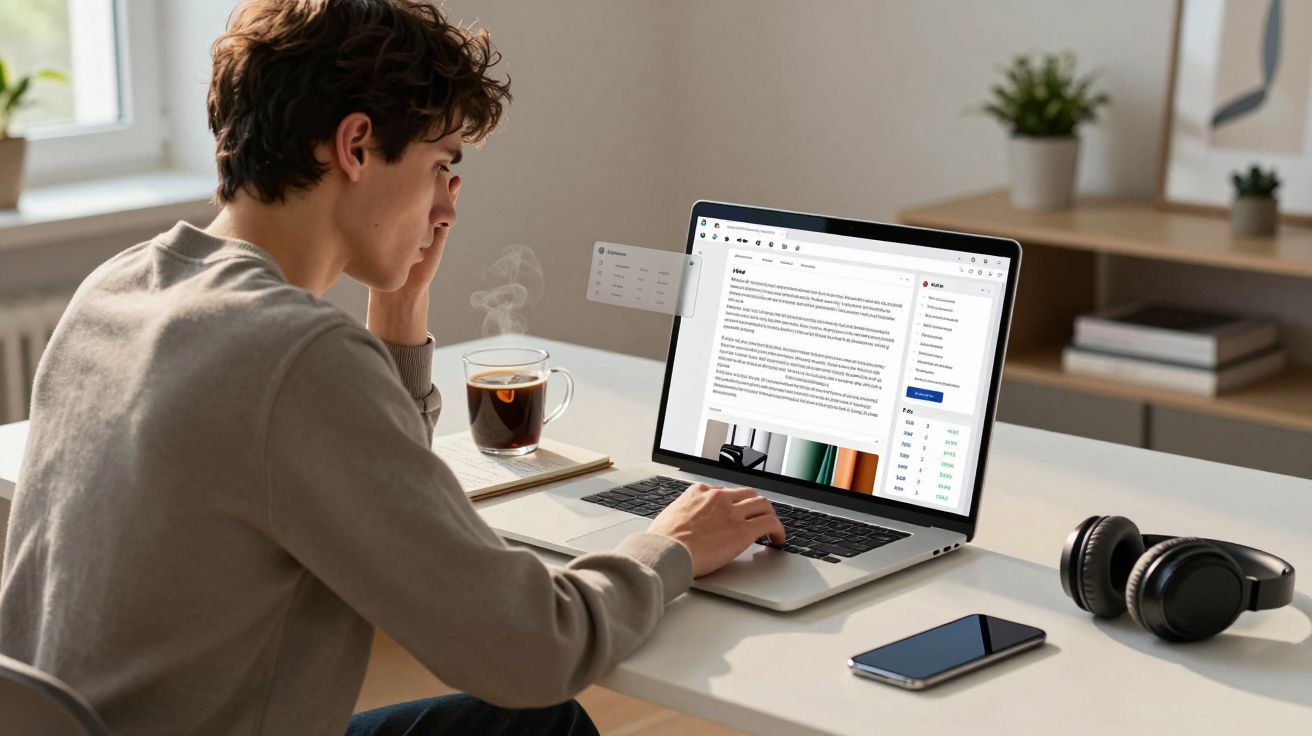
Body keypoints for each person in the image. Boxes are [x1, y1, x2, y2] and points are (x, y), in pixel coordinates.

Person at [0, 1, 785, 734]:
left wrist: (400, 311)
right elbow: (533, 651)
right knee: (543, 716)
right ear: (355, 145)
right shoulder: (293, 353)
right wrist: (670, 545)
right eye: (442, 162)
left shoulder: (119, 285)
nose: (446, 201)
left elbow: (363, 496)